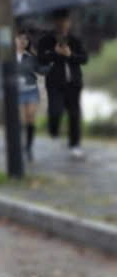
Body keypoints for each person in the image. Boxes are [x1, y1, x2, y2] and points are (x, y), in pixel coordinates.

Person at [41, 9, 87, 154]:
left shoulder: (75, 40)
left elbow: (84, 59)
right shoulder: (46, 40)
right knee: (56, 111)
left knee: (74, 114)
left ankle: (75, 145)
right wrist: (55, 53)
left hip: (73, 83)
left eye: (65, 21)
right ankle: (53, 131)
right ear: (54, 23)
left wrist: (70, 54)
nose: (62, 24)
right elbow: (41, 59)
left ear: (69, 23)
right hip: (55, 83)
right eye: (59, 22)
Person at [14, 28, 42, 164]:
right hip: (18, 92)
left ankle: (28, 147)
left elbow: (43, 71)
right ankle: (18, 145)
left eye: (25, 40)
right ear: (15, 40)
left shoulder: (30, 57)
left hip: (31, 91)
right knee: (21, 118)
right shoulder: (9, 57)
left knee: (31, 118)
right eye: (20, 39)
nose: (22, 42)